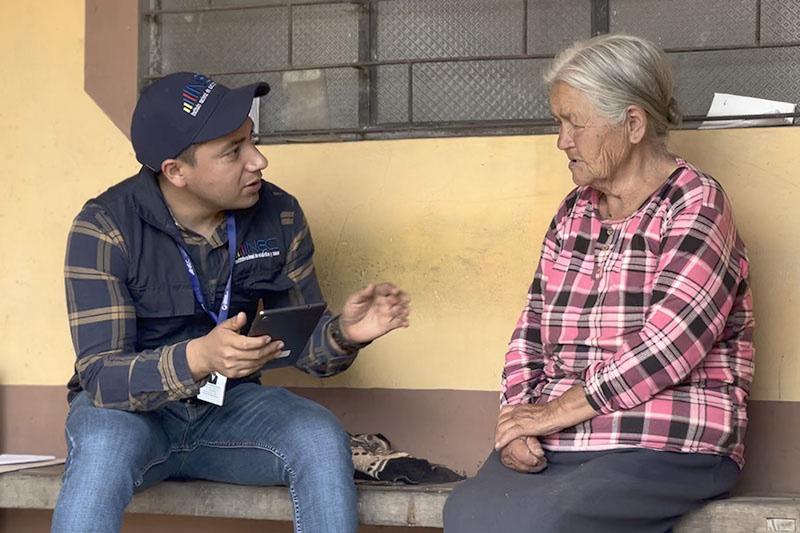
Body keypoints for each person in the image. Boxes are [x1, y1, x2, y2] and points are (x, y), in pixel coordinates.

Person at [52, 72, 410, 533]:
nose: (258, 160)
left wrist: (345, 333)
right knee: (102, 446)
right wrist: (198, 357)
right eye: (233, 151)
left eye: (252, 140)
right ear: (176, 172)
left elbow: (303, 348)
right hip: (132, 418)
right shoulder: (105, 227)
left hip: (230, 409)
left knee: (320, 437)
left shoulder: (279, 214)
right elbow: (102, 377)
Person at [443, 34, 754, 533]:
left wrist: (552, 413)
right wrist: (517, 420)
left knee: (549, 522)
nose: (562, 141)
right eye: (559, 123)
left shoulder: (696, 203)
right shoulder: (574, 213)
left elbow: (669, 346)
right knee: (465, 511)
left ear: (633, 124)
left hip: (662, 440)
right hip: (562, 441)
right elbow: (530, 332)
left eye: (574, 123)